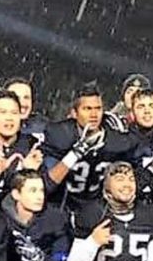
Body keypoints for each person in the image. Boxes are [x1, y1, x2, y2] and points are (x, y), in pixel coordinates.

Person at [44, 83, 135, 211]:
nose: (94, 114)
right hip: (61, 207)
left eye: (98, 108)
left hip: (99, 209)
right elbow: (47, 184)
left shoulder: (117, 141)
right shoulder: (59, 135)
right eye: (87, 109)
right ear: (74, 113)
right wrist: (74, 154)